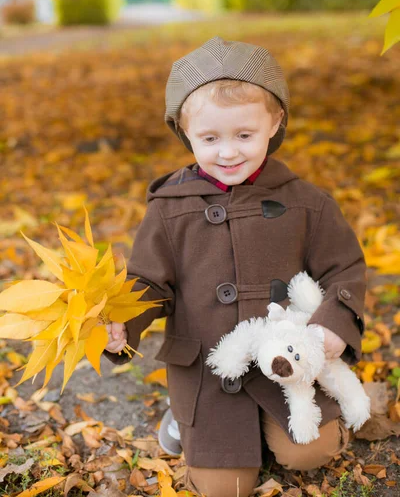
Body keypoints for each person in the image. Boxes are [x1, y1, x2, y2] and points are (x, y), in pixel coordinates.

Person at [104, 37, 366, 497]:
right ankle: (188, 420)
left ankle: (278, 424)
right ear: (186, 133)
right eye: (210, 139)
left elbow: (344, 268)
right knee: (227, 488)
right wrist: (123, 321)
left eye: (244, 135)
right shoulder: (168, 210)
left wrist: (333, 325)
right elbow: (147, 282)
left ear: (275, 122)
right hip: (209, 367)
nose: (228, 152)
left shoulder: (305, 202)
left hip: (286, 360)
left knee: (309, 453)